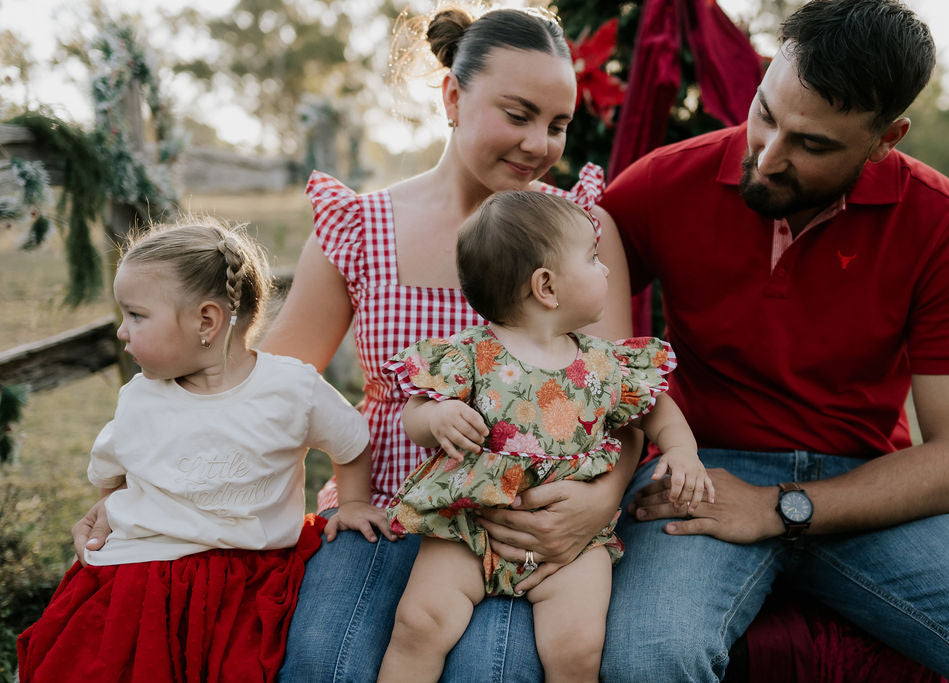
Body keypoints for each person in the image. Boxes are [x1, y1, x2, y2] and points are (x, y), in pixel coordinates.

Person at [71, 7, 639, 681]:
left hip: (519, 516)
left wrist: (602, 499)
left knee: (494, 668)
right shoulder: (361, 226)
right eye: (518, 114)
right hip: (383, 508)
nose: (540, 143)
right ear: (454, 97)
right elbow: (261, 381)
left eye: (558, 123)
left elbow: (621, 395)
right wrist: (141, 489)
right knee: (322, 661)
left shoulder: (578, 231)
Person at [598, 0, 949, 680]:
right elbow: (564, 324)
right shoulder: (661, 183)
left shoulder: (942, 222)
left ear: (888, 137)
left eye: (813, 144)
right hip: (700, 473)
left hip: (864, 481)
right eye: (765, 113)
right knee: (651, 654)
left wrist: (778, 508)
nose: (767, 157)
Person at [19, 219, 375, 682]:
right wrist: (109, 507)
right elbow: (111, 474)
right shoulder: (141, 400)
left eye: (136, 315)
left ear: (206, 321)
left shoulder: (291, 389)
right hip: (141, 582)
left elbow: (351, 441)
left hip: (244, 585)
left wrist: (353, 502)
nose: (123, 332)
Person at [377, 191, 711, 682]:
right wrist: (437, 418)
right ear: (547, 287)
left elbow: (655, 408)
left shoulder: (604, 363)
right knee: (418, 623)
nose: (608, 271)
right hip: (472, 527)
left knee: (576, 646)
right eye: (594, 259)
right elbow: (415, 412)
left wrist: (682, 449)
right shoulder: (470, 353)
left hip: (570, 541)